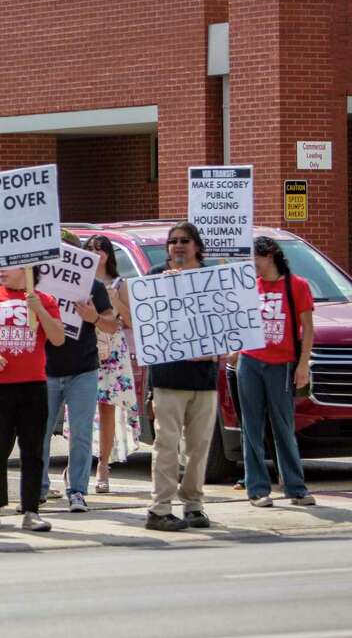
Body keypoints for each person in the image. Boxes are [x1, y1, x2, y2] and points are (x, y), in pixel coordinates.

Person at [0, 267, 64, 531]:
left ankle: (31, 511)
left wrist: (39, 310)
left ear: (26, 269)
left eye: (9, 266)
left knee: (33, 450)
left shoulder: (45, 300)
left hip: (33, 385)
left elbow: (58, 339)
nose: (1, 270)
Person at [145, 222, 219, 532]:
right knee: (167, 444)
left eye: (184, 240)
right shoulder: (155, 277)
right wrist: (162, 289)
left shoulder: (213, 278)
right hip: (168, 377)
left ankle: (193, 505)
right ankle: (160, 509)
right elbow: (142, 319)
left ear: (196, 246)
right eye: (172, 241)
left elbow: (226, 322)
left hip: (204, 379)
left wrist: (219, 349)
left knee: (199, 447)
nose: (177, 245)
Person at [238, 236, 317, 507]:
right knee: (251, 426)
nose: (253, 264)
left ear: (270, 256)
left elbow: (308, 328)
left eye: (255, 258)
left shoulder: (297, 285)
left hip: (282, 364)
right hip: (250, 362)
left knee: (283, 426)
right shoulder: (250, 286)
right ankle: (257, 489)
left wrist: (303, 364)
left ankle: (295, 487)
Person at [40, 234, 115, 513]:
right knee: (40, 432)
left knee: (81, 434)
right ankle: (39, 488)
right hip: (46, 369)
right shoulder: (37, 285)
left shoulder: (94, 286)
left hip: (83, 369)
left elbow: (111, 325)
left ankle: (78, 491)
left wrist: (93, 317)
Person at [84, 236, 140, 493]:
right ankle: (78, 462)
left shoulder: (120, 283)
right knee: (81, 408)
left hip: (112, 347)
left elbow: (130, 320)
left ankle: (103, 465)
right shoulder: (81, 280)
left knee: (107, 407)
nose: (97, 254)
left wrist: (115, 300)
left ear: (109, 254)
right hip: (85, 345)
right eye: (91, 249)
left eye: (101, 249)